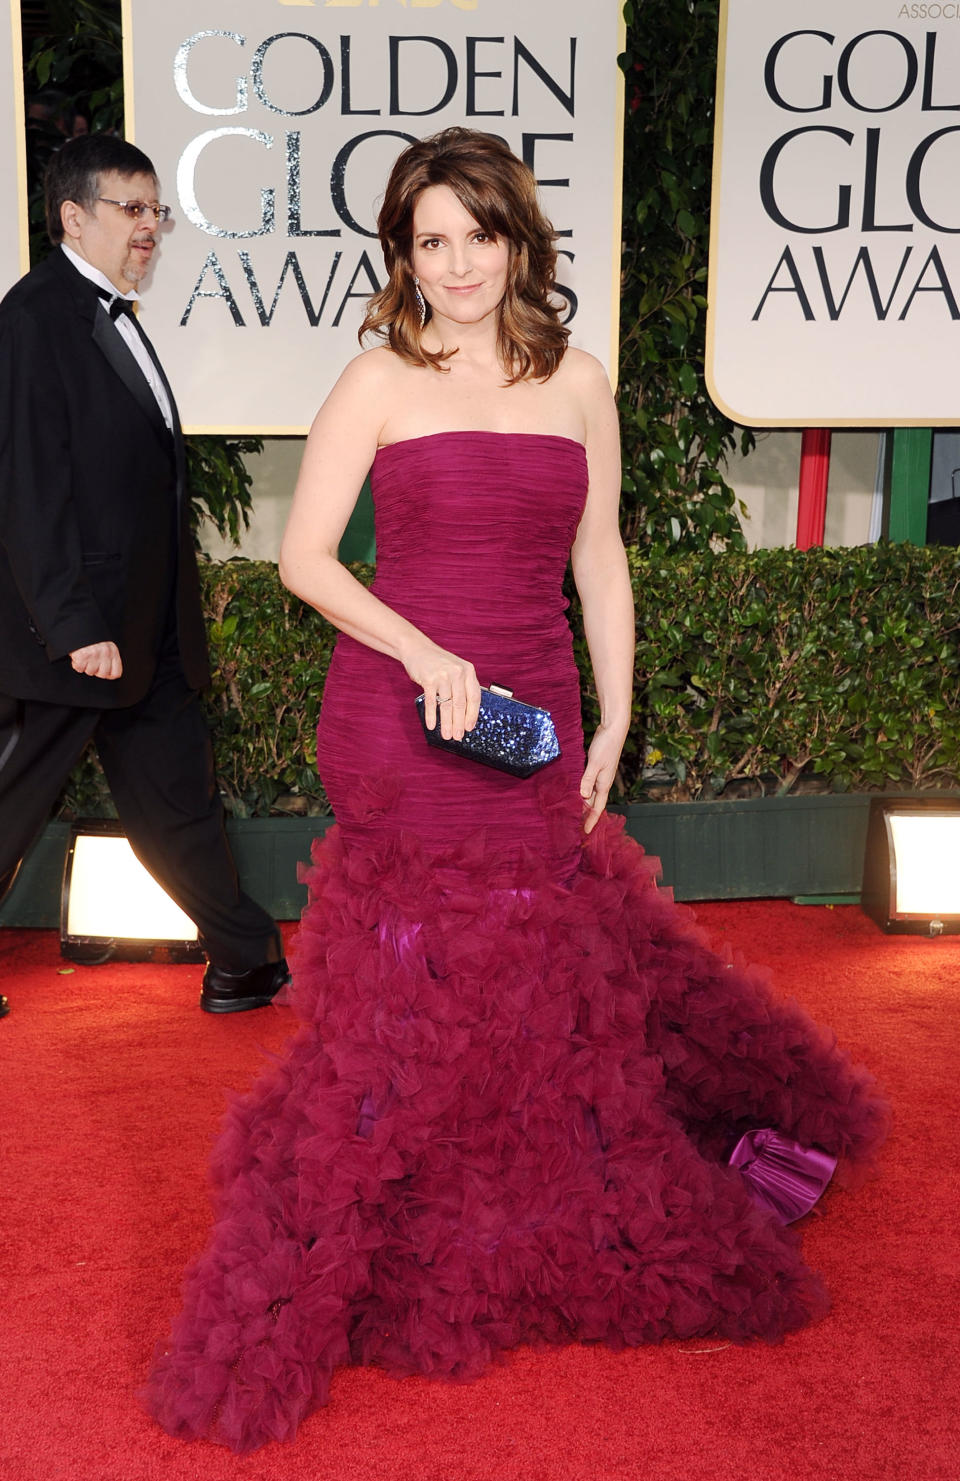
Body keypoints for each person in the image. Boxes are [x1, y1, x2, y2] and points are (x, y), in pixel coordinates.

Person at [145, 129, 887, 1452]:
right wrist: (424, 649)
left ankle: (521, 1211)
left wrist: (612, 718)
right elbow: (305, 561)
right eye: (429, 242)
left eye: (476, 236)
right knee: (408, 999)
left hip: (531, 719)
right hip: (399, 711)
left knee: (536, 983)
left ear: (515, 239)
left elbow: (601, 560)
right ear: (403, 257)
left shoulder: (580, 382)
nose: (457, 264)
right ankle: (384, 1216)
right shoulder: (376, 378)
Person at [0, 133, 287, 1014]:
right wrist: (75, 623)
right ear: (73, 218)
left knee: (177, 798)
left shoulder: (109, 313)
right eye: (131, 209)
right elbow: (26, 486)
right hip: (73, 633)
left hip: (146, 628)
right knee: (9, 803)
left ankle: (244, 956)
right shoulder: (34, 318)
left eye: (155, 210)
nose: (149, 227)